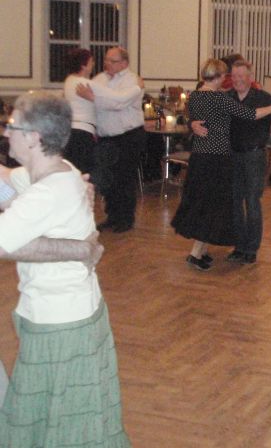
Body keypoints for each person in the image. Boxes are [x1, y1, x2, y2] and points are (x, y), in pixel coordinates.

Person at [0, 92, 129, 446]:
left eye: (11, 125)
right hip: (69, 314)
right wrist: (78, 248)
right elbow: (6, 180)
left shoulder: (48, 191)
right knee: (62, 418)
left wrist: (79, 249)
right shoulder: (60, 171)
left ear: (33, 137)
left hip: (59, 322)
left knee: (61, 424)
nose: (6, 132)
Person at [173, 59, 271, 270]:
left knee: (250, 202)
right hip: (223, 158)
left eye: (240, 76)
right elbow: (251, 114)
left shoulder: (260, 97)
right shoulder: (223, 97)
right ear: (220, 77)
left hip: (250, 156)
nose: (236, 80)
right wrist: (192, 124)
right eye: (232, 76)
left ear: (250, 77)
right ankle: (233, 247)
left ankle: (249, 250)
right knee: (225, 203)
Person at [77, 47, 145, 233]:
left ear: (124, 63)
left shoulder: (132, 80)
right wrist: (91, 99)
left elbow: (118, 103)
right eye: (106, 60)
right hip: (106, 137)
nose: (107, 64)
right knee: (108, 179)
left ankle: (126, 219)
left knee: (124, 179)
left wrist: (93, 98)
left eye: (112, 61)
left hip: (128, 136)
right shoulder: (99, 79)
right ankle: (112, 216)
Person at [62, 47, 97, 174]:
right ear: (83, 65)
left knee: (73, 169)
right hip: (83, 132)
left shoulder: (69, 80)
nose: (93, 64)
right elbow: (109, 102)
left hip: (71, 131)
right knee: (83, 171)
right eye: (91, 61)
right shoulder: (84, 83)